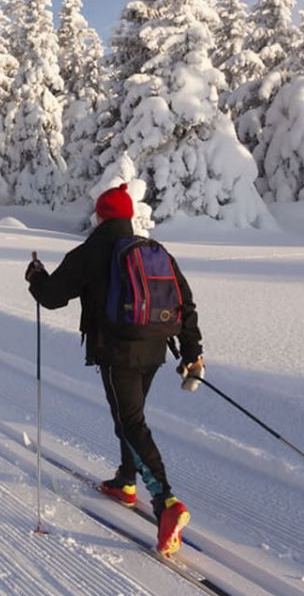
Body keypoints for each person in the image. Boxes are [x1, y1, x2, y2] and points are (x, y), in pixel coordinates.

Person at [25, 184, 204, 557]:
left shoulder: (92, 251)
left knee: (130, 423)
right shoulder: (154, 251)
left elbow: (52, 296)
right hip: (155, 349)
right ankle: (125, 481)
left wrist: (35, 276)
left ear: (101, 216)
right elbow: (185, 304)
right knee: (130, 416)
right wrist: (192, 353)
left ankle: (166, 503)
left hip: (116, 351)